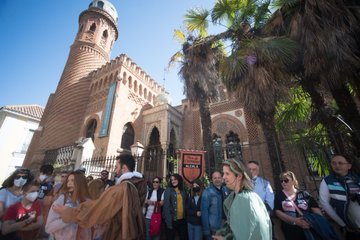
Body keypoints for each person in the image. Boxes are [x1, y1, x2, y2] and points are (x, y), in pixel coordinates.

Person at [53, 154, 147, 240]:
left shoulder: (120, 189)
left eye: (117, 167)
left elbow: (97, 208)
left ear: (124, 168)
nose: (115, 169)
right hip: (135, 231)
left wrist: (68, 211)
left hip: (118, 233)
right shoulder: (139, 186)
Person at [213, 158, 272, 240]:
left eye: (227, 173)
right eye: (223, 173)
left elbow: (244, 235)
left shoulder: (244, 199)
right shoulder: (242, 197)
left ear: (239, 176)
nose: (223, 177)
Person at [275, 171, 338, 240]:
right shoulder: (279, 195)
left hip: (309, 226)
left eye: (286, 180)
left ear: (293, 181)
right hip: (291, 230)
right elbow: (278, 211)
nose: (283, 183)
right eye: (281, 181)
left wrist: (319, 221)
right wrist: (295, 221)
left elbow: (315, 209)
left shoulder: (304, 194)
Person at [320, 155, 360, 240]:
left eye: (340, 163)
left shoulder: (357, 178)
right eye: (334, 163)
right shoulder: (327, 181)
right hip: (353, 229)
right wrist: (342, 223)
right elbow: (324, 203)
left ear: (349, 166)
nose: (337, 165)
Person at [45, 171, 92, 239]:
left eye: (72, 180)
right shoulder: (62, 200)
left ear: (81, 183)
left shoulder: (88, 202)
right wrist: (68, 218)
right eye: (68, 181)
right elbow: (49, 228)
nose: (69, 183)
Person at [0, 168, 33, 239]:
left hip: (17, 228)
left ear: (28, 179)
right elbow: (1, 212)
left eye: (24, 177)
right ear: (13, 178)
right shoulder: (4, 192)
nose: (21, 179)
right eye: (18, 177)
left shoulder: (26, 195)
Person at [201, 171, 229, 240]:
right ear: (212, 180)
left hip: (225, 226)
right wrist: (206, 231)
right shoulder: (207, 192)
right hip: (214, 228)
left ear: (222, 179)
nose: (217, 179)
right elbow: (204, 212)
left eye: (219, 177)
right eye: (215, 178)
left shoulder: (225, 190)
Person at [163, 173, 188, 240]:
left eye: (175, 179)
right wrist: (169, 223)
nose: (173, 181)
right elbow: (166, 207)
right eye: (171, 180)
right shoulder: (168, 190)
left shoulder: (183, 190)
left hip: (182, 220)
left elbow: (185, 204)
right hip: (172, 220)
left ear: (179, 180)